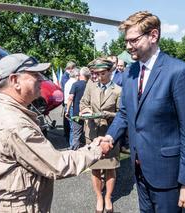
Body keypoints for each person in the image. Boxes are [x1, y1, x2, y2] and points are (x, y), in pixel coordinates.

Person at [97, 11, 185, 212]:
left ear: (153, 36)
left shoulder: (179, 72)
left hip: (168, 174)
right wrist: (110, 136)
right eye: (126, 41)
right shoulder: (130, 72)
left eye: (133, 40)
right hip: (139, 169)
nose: (128, 46)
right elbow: (124, 113)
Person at [0, 53, 112, 212]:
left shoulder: (1, 112)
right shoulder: (14, 124)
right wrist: (96, 149)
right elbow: (57, 165)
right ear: (15, 80)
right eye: (35, 74)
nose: (41, 79)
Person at [80, 58, 121, 213]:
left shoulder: (118, 90)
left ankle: (108, 197)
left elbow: (121, 114)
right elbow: (83, 103)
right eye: (96, 73)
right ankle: (99, 197)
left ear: (110, 72)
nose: (98, 76)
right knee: (95, 168)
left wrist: (105, 114)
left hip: (110, 134)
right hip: (92, 133)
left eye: (102, 73)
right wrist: (85, 111)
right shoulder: (91, 87)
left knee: (110, 168)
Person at [65, 67, 90, 150]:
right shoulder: (90, 85)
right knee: (88, 134)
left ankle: (74, 151)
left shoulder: (76, 84)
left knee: (76, 134)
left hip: (77, 113)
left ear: (80, 75)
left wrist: (67, 110)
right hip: (88, 113)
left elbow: (70, 98)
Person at [61, 61, 76, 144]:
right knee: (67, 121)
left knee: (67, 119)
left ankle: (67, 135)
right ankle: (67, 137)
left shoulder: (65, 76)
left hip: (66, 100)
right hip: (67, 100)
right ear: (70, 68)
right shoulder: (66, 77)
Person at [64, 68, 79, 148]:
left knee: (71, 127)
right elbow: (71, 97)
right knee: (74, 127)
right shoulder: (74, 83)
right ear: (76, 75)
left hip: (67, 105)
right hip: (72, 106)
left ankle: (71, 144)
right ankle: (72, 145)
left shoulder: (67, 82)